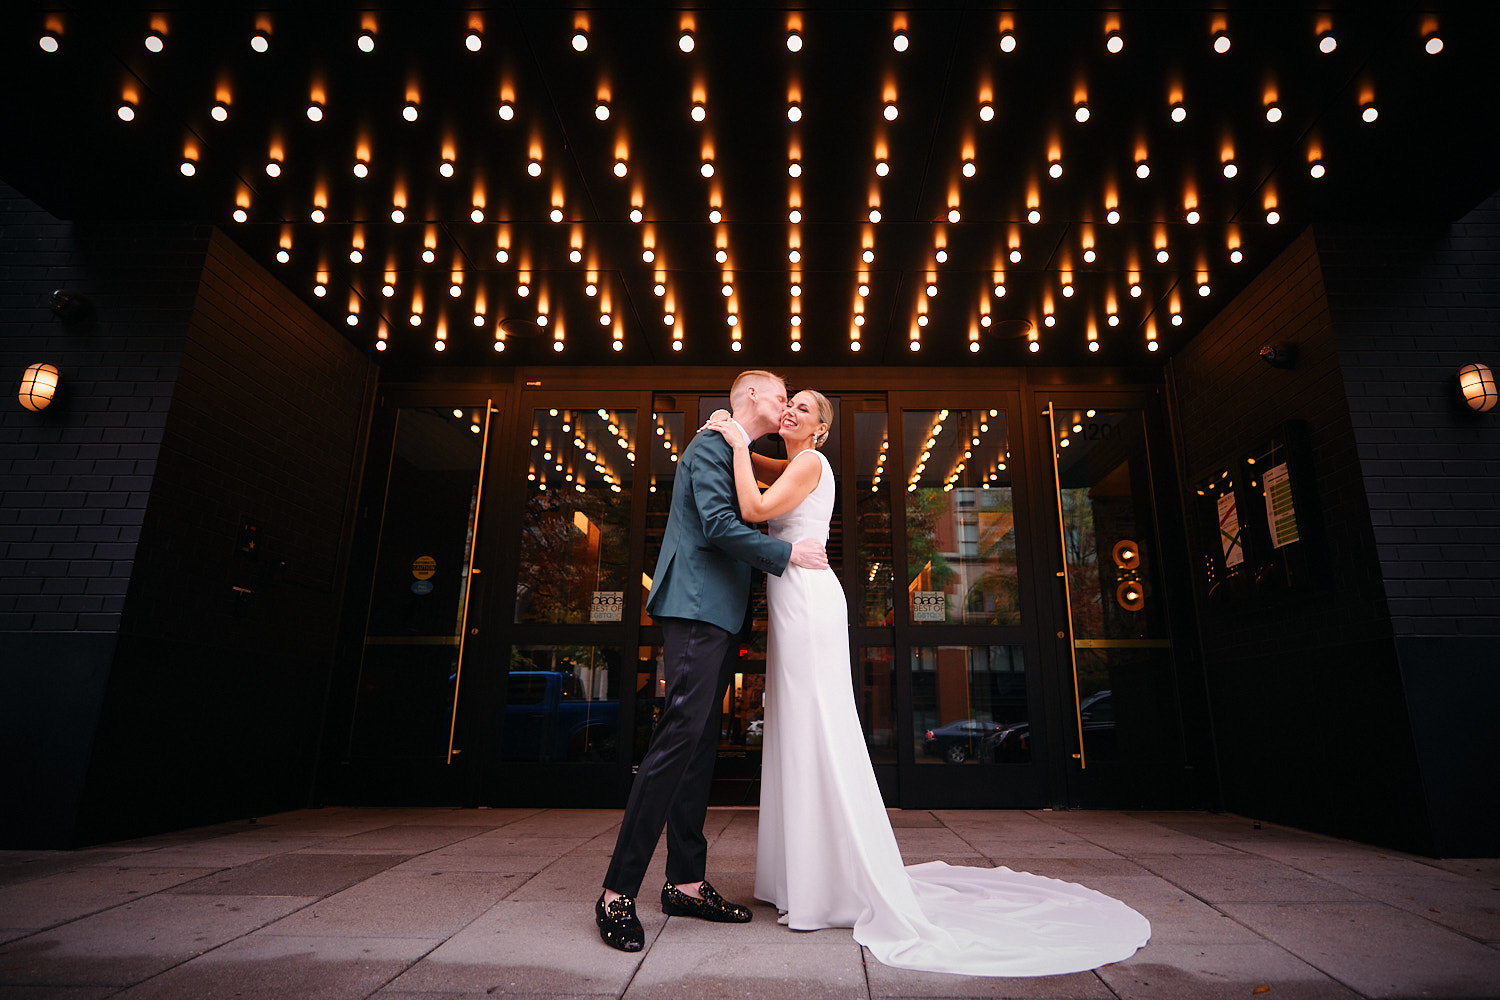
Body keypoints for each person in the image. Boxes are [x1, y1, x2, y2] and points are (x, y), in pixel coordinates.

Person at [700, 389, 1152, 977]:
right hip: (793, 596)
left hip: (808, 601)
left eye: (805, 409)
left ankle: (826, 878)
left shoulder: (809, 463)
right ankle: (802, 873)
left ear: (820, 430)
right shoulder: (795, 463)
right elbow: (761, 474)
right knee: (797, 725)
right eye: (790, 405)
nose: (792, 412)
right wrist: (731, 441)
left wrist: (735, 441)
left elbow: (756, 510)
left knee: (818, 725)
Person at [596, 370, 829, 953]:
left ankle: (686, 882)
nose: (784, 404)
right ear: (752, 395)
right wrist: (787, 552)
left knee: (698, 747)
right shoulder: (706, 445)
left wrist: (736, 439)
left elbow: (781, 481)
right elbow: (720, 525)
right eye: (780, 394)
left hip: (719, 613)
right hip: (696, 607)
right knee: (677, 739)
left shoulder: (735, 448)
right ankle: (616, 893)